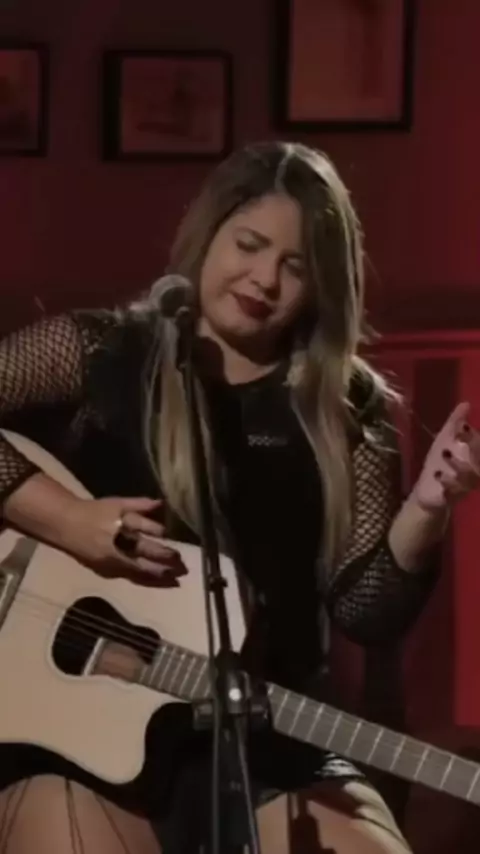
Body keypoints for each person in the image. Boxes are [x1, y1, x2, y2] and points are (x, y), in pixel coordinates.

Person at [0, 140, 479, 854]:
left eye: (295, 266)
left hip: (266, 734)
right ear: (209, 232)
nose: (264, 280)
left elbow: (366, 611)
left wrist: (429, 508)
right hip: (67, 724)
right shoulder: (102, 352)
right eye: (249, 245)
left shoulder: (346, 407)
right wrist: (68, 520)